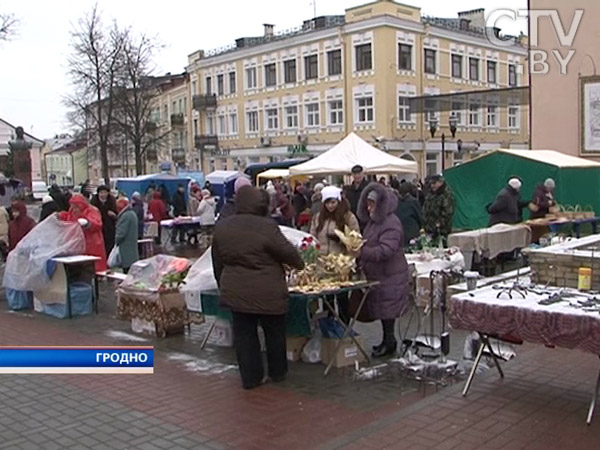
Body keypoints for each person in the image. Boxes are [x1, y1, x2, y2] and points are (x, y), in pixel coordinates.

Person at [212, 186, 304, 389]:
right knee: (274, 333)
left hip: (236, 291)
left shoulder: (223, 227)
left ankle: (251, 378)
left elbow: (217, 262)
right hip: (268, 291)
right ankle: (277, 373)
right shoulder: (266, 226)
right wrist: (299, 263)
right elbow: (290, 255)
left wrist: (225, 285)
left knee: (245, 336)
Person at [358, 183, 410, 357]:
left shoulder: (391, 223)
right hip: (381, 274)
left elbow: (386, 250)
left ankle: (390, 343)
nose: (368, 207)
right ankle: (387, 341)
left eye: (372, 203)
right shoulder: (375, 221)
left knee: (388, 311)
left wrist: (362, 252)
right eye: (367, 203)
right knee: (383, 310)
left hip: (390, 274)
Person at [58, 194, 107, 271]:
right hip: (77, 243)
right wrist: (61, 216)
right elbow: (68, 218)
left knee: (93, 264)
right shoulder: (72, 211)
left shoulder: (91, 211)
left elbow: (97, 223)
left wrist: (87, 223)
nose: (74, 209)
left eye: (76, 207)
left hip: (91, 243)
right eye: (72, 207)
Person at [310, 186, 359, 256]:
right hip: (321, 260)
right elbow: (312, 238)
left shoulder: (348, 217)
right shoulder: (317, 218)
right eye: (327, 203)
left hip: (341, 261)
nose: (330, 206)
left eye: (333, 202)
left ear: (338, 202)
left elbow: (356, 241)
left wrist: (341, 240)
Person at [422, 175, 454, 245]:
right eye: (431, 184)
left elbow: (447, 213)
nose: (432, 186)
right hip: (429, 230)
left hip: (441, 231)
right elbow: (425, 208)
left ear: (440, 182)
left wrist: (437, 225)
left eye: (434, 183)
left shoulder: (446, 195)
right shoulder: (430, 194)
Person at [90, 185, 118, 258]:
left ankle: (110, 258)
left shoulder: (112, 200)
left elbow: (116, 214)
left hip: (109, 226)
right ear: (98, 193)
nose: (103, 195)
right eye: (101, 193)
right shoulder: (94, 201)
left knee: (110, 243)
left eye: (105, 193)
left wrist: (114, 215)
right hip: (99, 225)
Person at [115, 198, 139, 274]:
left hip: (125, 247)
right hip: (132, 245)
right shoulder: (132, 214)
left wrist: (116, 241)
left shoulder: (125, 216)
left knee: (127, 269)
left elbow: (121, 233)